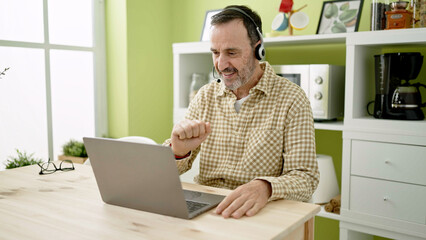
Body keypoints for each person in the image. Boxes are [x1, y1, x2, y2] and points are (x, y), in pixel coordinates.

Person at [164, 5, 319, 219]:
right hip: (208, 211)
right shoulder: (205, 96)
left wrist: (265, 187)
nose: (221, 64)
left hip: (258, 213)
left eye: (232, 53)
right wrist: (178, 152)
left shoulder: (292, 99)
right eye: (215, 53)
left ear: (258, 49)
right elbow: (165, 172)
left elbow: (306, 178)